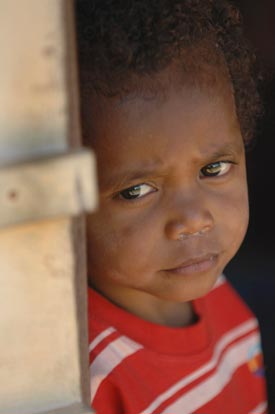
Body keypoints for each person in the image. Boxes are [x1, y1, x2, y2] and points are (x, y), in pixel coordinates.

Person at [75, 0, 268, 412]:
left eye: (214, 168)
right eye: (136, 191)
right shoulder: (86, 380)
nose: (194, 219)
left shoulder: (216, 291)